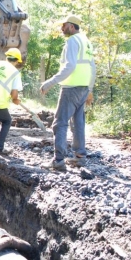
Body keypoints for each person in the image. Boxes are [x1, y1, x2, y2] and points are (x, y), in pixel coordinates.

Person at [40, 15, 96, 171]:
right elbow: (93, 68)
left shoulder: (72, 41)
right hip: (83, 87)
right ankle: (80, 157)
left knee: (60, 123)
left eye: (64, 25)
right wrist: (90, 89)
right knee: (78, 122)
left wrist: (50, 82)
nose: (62, 28)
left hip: (71, 87)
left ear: (71, 26)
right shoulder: (86, 41)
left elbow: (70, 66)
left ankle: (58, 161)